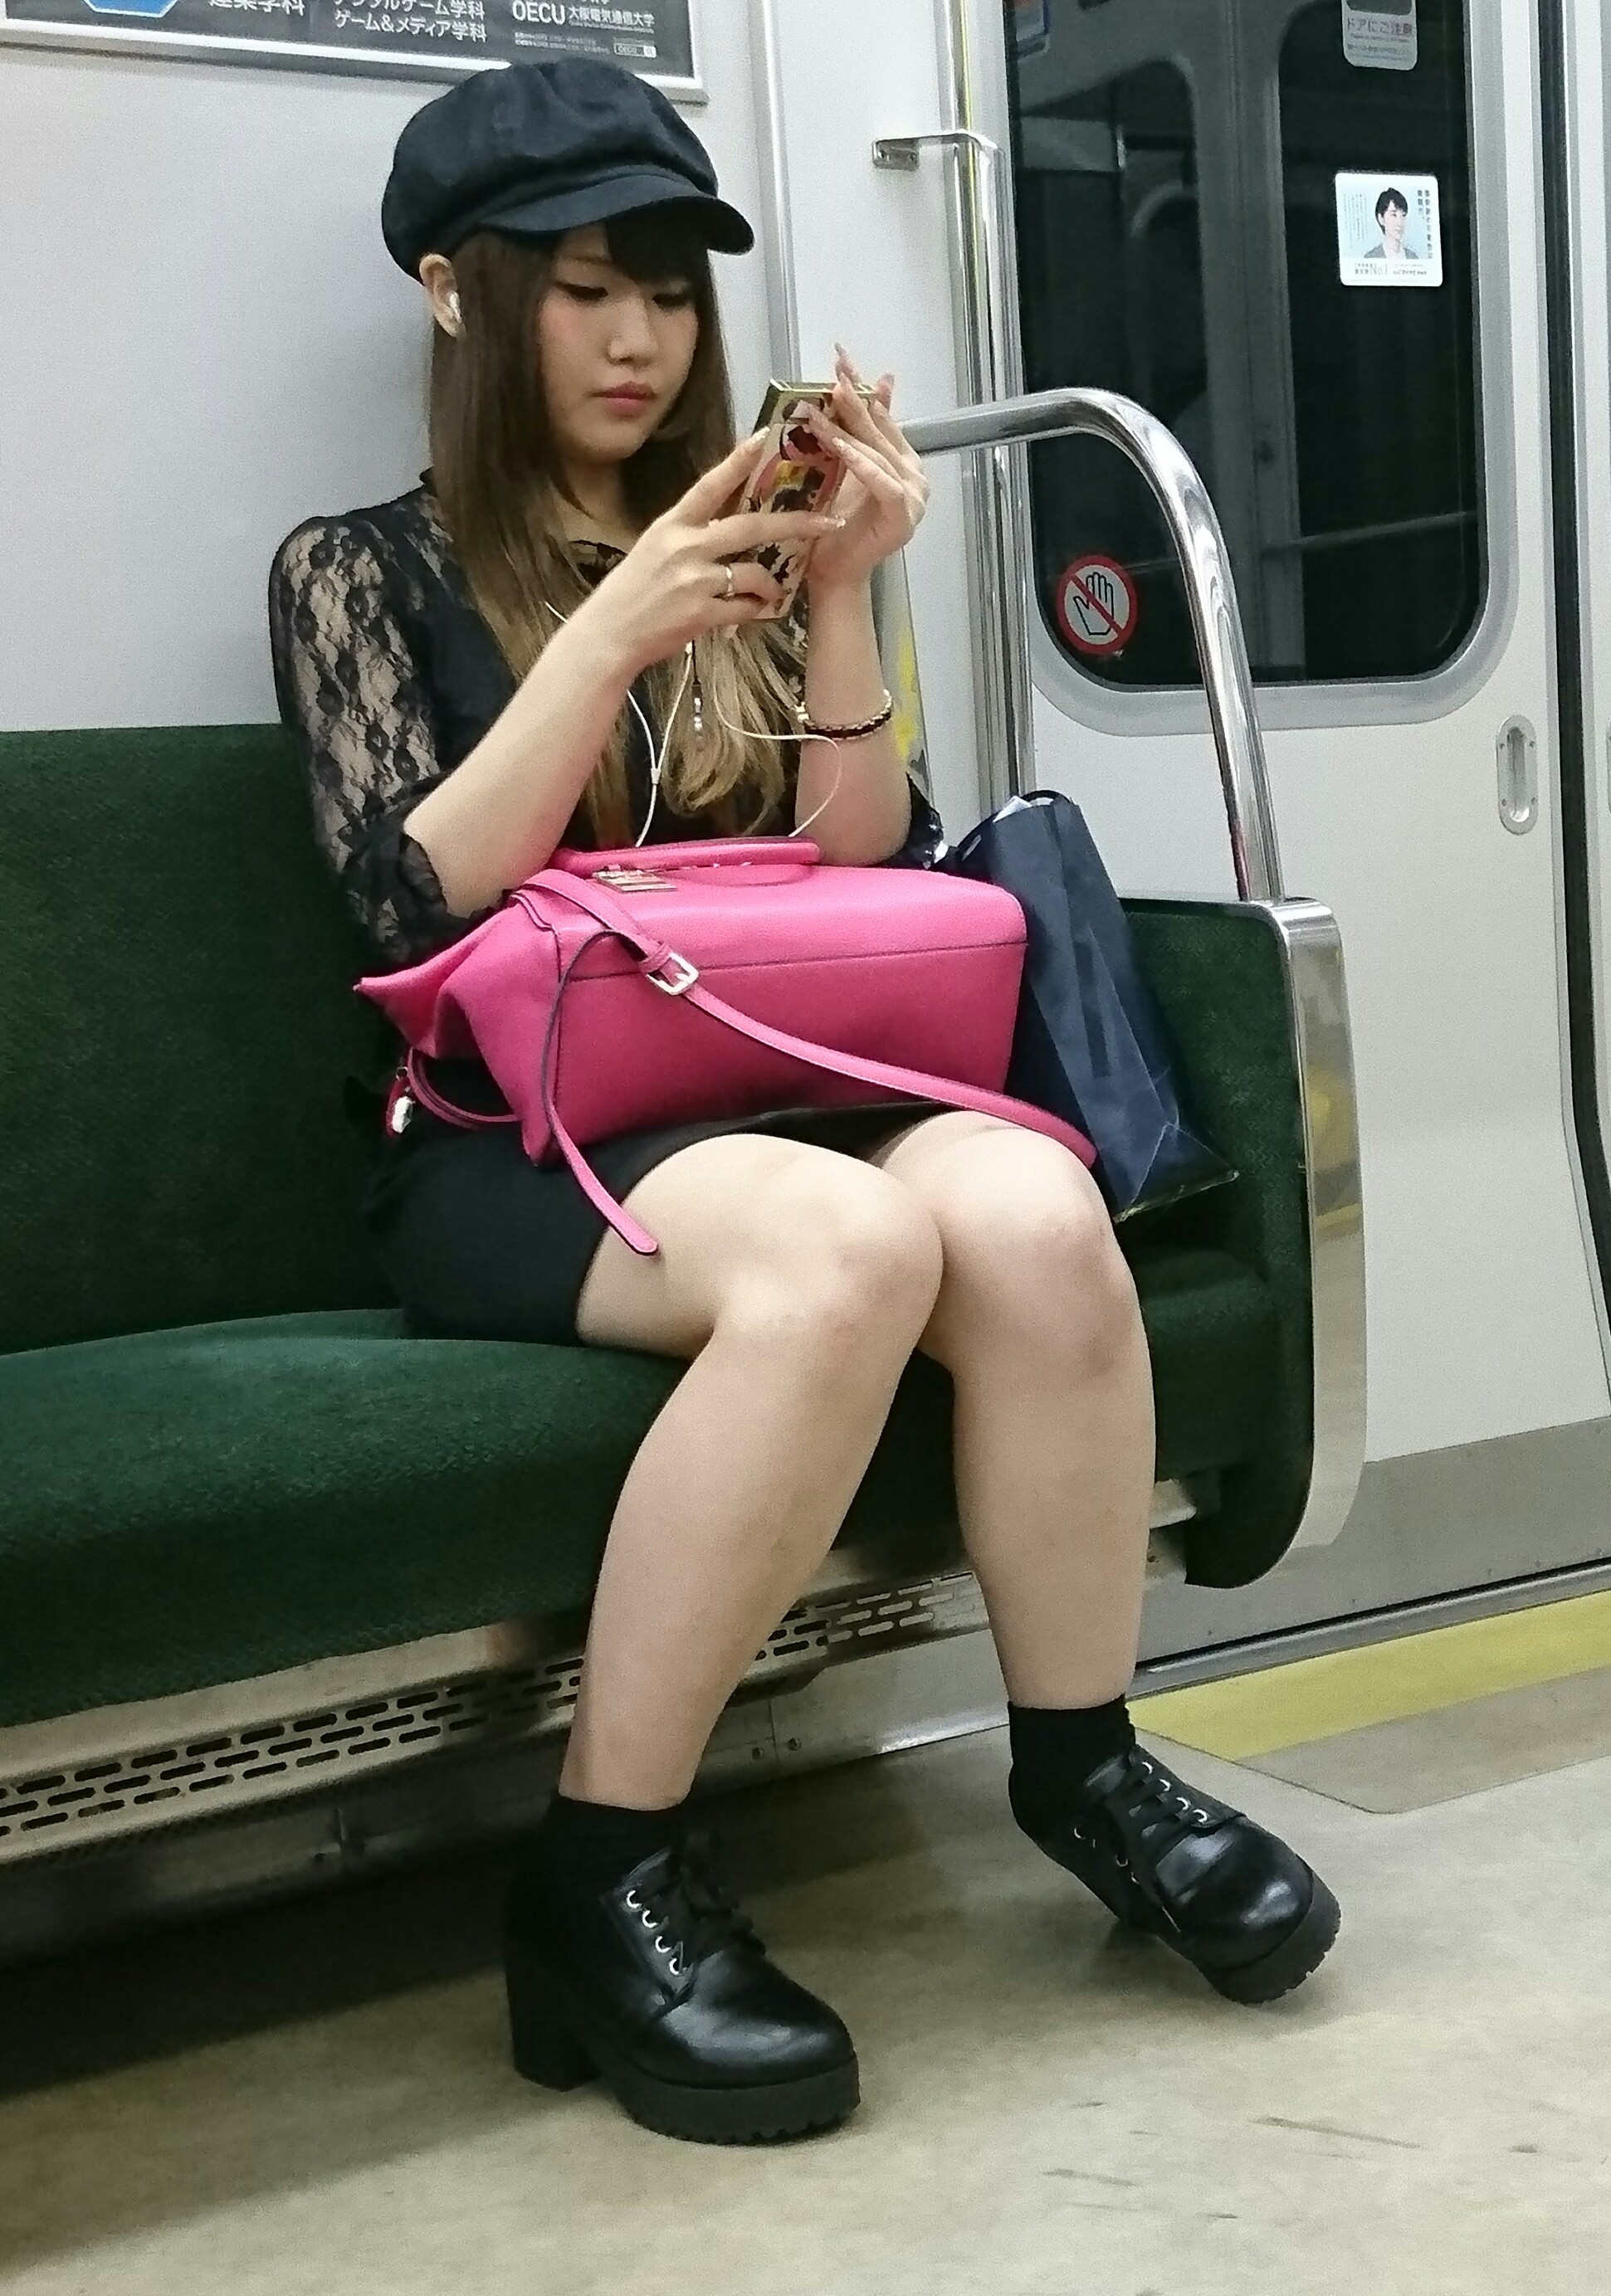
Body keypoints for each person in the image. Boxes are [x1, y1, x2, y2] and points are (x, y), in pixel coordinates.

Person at [268, 58, 1340, 2147]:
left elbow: (858, 864)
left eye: (670, 292)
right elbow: (404, 900)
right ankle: (602, 1873)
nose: (639, 339)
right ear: (457, 295)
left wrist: (839, 588)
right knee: (849, 1251)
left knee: (1030, 1204)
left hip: (786, 1075)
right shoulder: (360, 569)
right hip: (513, 1135)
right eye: (583, 288)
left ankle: (1084, 1763)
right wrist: (605, 633)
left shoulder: (749, 559)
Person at [1366, 185, 1413, 261]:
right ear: (1381, 219)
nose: (1399, 222)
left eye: (1403, 215)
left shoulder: (1412, 257)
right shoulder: (1371, 258)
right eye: (1394, 215)